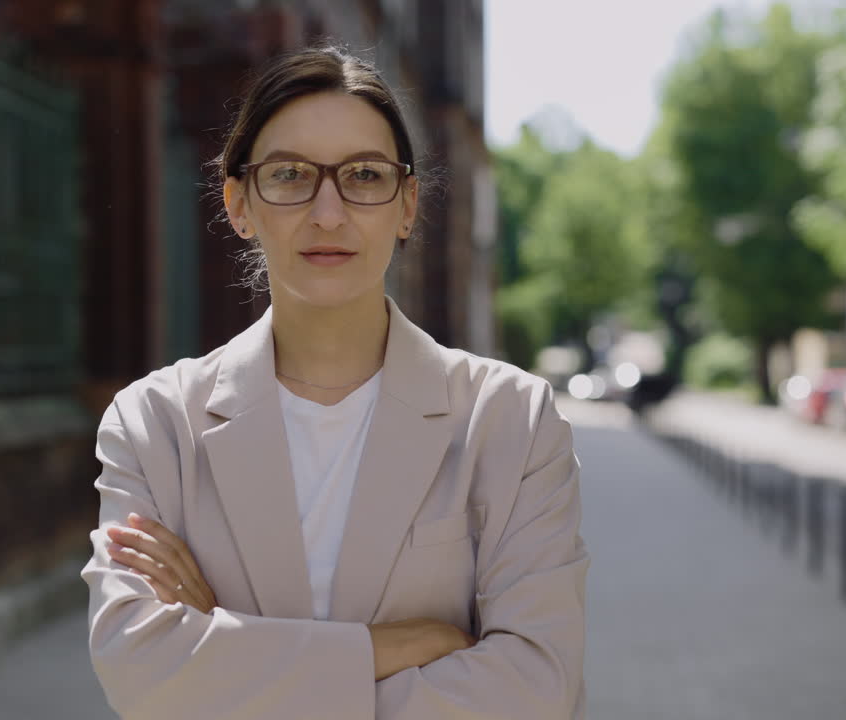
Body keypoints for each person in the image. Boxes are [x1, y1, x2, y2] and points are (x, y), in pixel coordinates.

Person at [80, 45, 589, 720]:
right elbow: (141, 671)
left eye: (365, 176)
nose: (328, 212)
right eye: (290, 174)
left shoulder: (512, 420)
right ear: (239, 203)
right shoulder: (154, 424)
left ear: (406, 206)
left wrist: (229, 657)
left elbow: (535, 686)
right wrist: (405, 645)